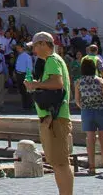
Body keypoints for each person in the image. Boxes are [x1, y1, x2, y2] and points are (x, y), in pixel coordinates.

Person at [24, 32, 72, 195]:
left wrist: (36, 84)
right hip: (55, 117)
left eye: (36, 46)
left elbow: (57, 83)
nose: (34, 50)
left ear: (44, 44)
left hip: (55, 118)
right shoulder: (55, 60)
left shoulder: (52, 60)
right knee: (59, 163)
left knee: (60, 163)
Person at [74, 56, 103, 174]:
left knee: (90, 140)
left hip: (87, 112)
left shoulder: (79, 82)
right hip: (101, 110)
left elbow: (77, 100)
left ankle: (92, 167)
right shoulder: (100, 81)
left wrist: (84, 107)